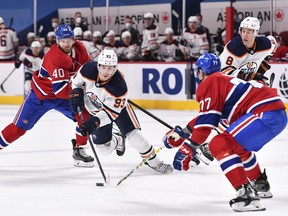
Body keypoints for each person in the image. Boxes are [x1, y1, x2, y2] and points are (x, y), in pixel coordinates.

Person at [162, 53, 287, 212]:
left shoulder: (210, 82)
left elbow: (207, 122)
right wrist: (184, 133)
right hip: (274, 113)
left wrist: (189, 146)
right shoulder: (221, 80)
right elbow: (208, 117)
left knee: (219, 144)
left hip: (264, 113)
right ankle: (260, 183)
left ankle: (246, 196)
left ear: (201, 71)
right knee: (235, 147)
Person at [0, 24, 94, 168]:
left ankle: (79, 151)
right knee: (18, 129)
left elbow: (89, 69)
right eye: (63, 40)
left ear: (73, 39)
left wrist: (99, 81)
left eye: (68, 39)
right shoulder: (54, 57)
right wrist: (80, 90)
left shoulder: (80, 49)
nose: (66, 43)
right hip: (41, 97)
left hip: (64, 96)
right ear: (57, 40)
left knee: (85, 117)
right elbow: (60, 90)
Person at [69, 49, 173, 174]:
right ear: (98, 65)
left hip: (116, 110)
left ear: (115, 67)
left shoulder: (119, 87)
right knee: (103, 150)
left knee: (135, 137)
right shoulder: (87, 69)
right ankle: (118, 139)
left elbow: (109, 114)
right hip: (95, 110)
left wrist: (93, 123)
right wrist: (77, 92)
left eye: (110, 68)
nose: (106, 72)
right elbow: (76, 83)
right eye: (103, 67)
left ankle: (155, 163)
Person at [219, 17, 276, 85]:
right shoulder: (234, 47)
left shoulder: (265, 44)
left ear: (255, 33)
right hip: (227, 84)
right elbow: (224, 71)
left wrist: (263, 65)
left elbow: (273, 45)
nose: (245, 35)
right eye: (243, 31)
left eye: (248, 32)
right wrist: (245, 76)